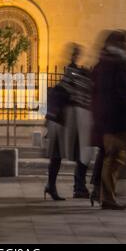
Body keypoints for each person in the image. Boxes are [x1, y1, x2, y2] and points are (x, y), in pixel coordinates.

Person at [90, 31, 126, 210]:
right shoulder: (113, 63)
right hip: (115, 119)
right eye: (125, 42)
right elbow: (113, 93)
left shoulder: (113, 62)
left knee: (116, 157)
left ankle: (105, 194)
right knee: (116, 157)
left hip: (115, 119)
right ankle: (106, 195)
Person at [44, 44, 95, 200]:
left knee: (61, 154)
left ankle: (56, 186)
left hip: (63, 120)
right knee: (79, 152)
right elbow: (69, 92)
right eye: (75, 53)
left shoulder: (73, 72)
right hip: (65, 120)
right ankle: (76, 187)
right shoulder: (74, 73)